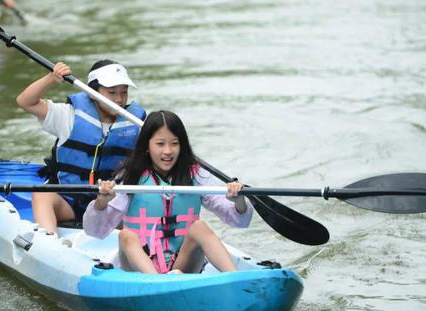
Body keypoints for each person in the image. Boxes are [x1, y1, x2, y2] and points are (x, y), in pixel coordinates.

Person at [83, 110, 253, 274]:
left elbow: (240, 221)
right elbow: (94, 231)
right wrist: (101, 202)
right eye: (160, 144)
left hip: (182, 265)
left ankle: (235, 278)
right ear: (147, 146)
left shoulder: (197, 175)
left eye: (174, 143)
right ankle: (156, 283)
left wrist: (238, 200)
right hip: (139, 268)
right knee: (126, 236)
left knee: (200, 227)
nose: (168, 151)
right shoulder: (129, 178)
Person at [16, 60, 146, 234]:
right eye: (112, 92)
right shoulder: (67, 115)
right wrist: (51, 78)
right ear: (92, 93)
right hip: (67, 203)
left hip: (108, 205)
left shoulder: (136, 123)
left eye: (124, 92)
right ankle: (47, 240)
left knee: (139, 200)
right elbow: (25, 102)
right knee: (42, 194)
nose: (119, 99)